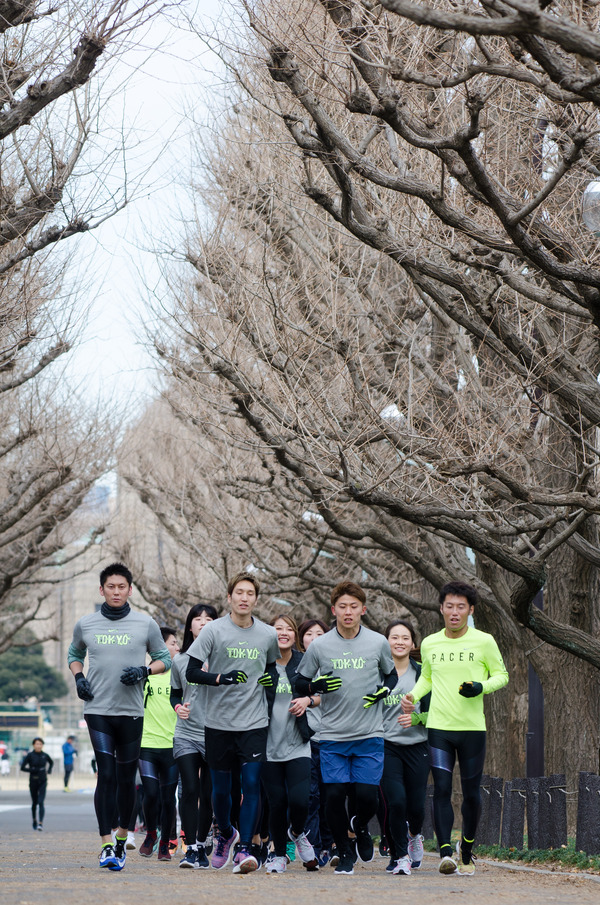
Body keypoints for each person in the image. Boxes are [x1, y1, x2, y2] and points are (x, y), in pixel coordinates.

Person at [67, 562, 171, 871]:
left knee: (128, 780)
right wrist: (79, 678)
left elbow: (164, 658)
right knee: (107, 775)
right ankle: (105, 845)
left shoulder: (145, 624)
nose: (116, 591)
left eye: (121, 587)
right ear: (102, 590)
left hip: (131, 712)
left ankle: (122, 836)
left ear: (129, 590)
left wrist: (143, 670)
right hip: (97, 709)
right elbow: (74, 655)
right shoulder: (86, 623)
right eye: (110, 587)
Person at [401, 580, 509, 876]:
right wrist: (413, 696)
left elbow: (502, 676)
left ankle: (468, 850)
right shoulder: (430, 643)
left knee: (472, 793)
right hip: (439, 728)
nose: (454, 612)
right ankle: (446, 851)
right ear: (441, 608)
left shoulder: (484, 641)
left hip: (472, 729)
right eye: (449, 606)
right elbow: (427, 679)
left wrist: (481, 687)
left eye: (461, 607)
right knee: (442, 790)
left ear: (470, 610)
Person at [296, 580, 397, 876]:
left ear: (363, 610)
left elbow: (390, 676)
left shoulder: (378, 642)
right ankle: (344, 851)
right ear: (333, 610)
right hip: (332, 736)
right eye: (343, 607)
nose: (348, 612)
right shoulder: (321, 645)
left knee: (367, 797)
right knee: (334, 797)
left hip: (369, 734)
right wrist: (315, 685)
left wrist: (383, 691)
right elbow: (301, 682)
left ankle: (360, 826)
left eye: (354, 607)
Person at [185, 571, 280, 874]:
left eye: (250, 593)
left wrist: (271, 680)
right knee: (221, 791)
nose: (244, 598)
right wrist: (220, 678)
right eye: (239, 592)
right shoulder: (213, 631)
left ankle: (245, 849)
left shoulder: (267, 634)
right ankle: (225, 832)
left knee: (252, 784)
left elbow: (272, 671)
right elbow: (191, 671)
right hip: (218, 723)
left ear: (255, 599)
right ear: (229, 597)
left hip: (253, 722)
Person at [262, 614, 317, 874]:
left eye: (288, 629)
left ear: (295, 635)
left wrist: (308, 701)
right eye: (277, 629)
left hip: (298, 743)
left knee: (299, 801)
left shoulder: (304, 663)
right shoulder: (262, 663)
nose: (283, 633)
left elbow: (322, 693)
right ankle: (279, 854)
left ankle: (297, 832)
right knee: (277, 802)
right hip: (267, 745)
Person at [380, 620, 430, 876]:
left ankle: (414, 835)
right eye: (394, 637)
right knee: (395, 802)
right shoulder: (376, 673)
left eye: (405, 637)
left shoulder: (423, 673)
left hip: (418, 746)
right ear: (386, 641)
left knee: (416, 807)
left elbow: (439, 713)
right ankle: (400, 856)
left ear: (413, 643)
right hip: (386, 746)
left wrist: (417, 717)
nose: (399, 642)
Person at [170, 603, 217, 870]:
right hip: (186, 733)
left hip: (215, 733)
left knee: (209, 794)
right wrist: (178, 707)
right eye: (198, 619)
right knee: (189, 789)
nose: (203, 622)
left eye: (209, 618)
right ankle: (191, 849)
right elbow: (174, 694)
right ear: (190, 626)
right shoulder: (180, 660)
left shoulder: (224, 658)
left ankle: (202, 843)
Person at [138, 626, 181, 861]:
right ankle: (151, 834)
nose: (177, 647)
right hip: (146, 745)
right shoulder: (145, 674)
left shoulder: (181, 673)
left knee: (167, 797)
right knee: (151, 793)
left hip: (173, 746)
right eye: (173, 643)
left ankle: (165, 842)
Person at [298, 618, 334, 867]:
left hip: (333, 737)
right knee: (310, 795)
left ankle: (331, 844)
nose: (314, 638)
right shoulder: (297, 667)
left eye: (319, 633)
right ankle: (313, 846)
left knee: (331, 794)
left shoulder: (333, 663)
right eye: (309, 634)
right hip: (307, 739)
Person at [21, 738, 53, 830]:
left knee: (41, 802)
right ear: (33, 745)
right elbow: (22, 767)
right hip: (33, 781)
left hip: (43, 781)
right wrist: (32, 770)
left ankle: (40, 823)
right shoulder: (30, 755)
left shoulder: (45, 755)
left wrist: (49, 770)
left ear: (42, 745)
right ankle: (34, 819)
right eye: (37, 744)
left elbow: (51, 762)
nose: (38, 746)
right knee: (34, 803)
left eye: (40, 744)